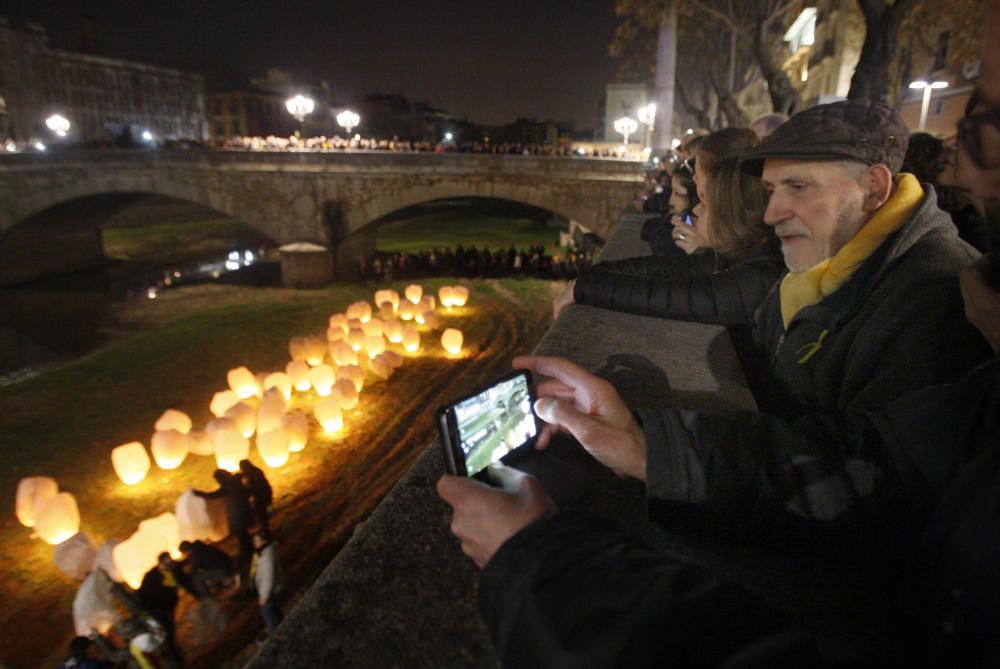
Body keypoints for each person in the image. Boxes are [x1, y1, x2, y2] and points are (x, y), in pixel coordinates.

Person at [559, 156, 783, 328]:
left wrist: (586, 287)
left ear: (732, 214)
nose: (695, 210)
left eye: (704, 202)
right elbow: (670, 268)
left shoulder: (761, 276)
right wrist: (590, 278)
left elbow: (673, 297)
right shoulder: (742, 257)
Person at [195, 469, 255, 564]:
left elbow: (214, 495)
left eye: (218, 479)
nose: (218, 481)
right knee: (243, 534)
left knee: (242, 535)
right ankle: (249, 551)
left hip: (238, 513)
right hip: (244, 509)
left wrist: (200, 494)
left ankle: (249, 553)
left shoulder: (228, 484)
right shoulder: (235, 480)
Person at [250, 531, 283, 639]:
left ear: (264, 541)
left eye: (257, 540)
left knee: (266, 612)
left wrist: (264, 596)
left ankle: (273, 635)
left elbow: (268, 578)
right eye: (254, 540)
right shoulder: (267, 552)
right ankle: (283, 626)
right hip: (274, 589)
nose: (254, 542)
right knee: (275, 609)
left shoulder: (266, 557)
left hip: (269, 591)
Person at [239, 459, 274, 540]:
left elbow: (255, 487)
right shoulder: (254, 472)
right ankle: (265, 529)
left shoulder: (253, 474)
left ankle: (266, 532)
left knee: (262, 514)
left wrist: (247, 493)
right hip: (262, 495)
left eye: (242, 468)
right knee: (262, 514)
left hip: (261, 496)